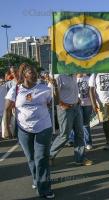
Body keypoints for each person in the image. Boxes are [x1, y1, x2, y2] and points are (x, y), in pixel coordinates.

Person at [3, 63, 55, 198]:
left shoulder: (44, 88)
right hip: (24, 130)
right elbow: (8, 110)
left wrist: (55, 88)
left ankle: (44, 188)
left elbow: (54, 103)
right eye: (31, 72)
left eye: (35, 72)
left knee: (41, 158)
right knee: (31, 158)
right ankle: (36, 179)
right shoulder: (15, 90)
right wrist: (7, 128)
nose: (35, 74)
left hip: (43, 127)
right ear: (24, 74)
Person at [49, 74, 93, 166]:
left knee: (79, 133)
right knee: (64, 135)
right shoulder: (58, 76)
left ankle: (80, 158)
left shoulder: (73, 76)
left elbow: (72, 91)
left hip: (76, 107)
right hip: (65, 110)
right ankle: (50, 156)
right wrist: (61, 104)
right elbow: (52, 96)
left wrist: (77, 99)